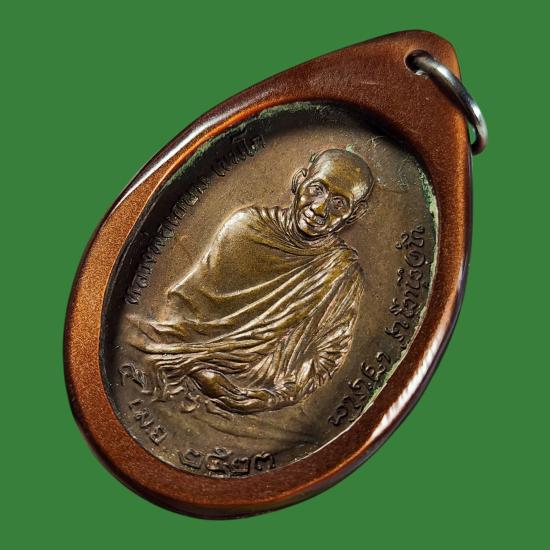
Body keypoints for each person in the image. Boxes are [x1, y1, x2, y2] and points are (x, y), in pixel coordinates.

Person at [130, 148, 374, 416]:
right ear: (299, 180)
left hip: (268, 399)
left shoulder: (341, 273)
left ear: (354, 215)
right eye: (317, 189)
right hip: (194, 369)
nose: (319, 209)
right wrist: (203, 374)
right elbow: (182, 306)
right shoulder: (245, 228)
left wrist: (270, 399)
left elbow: (329, 357)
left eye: (339, 204)